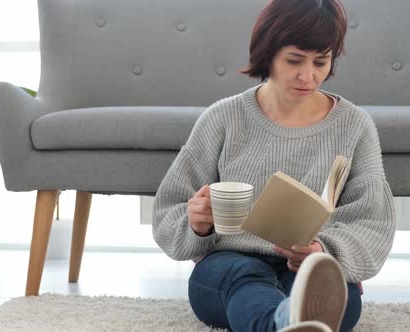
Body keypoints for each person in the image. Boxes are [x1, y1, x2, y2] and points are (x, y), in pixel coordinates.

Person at [152, 0, 396, 331]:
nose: (308, 76)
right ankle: (282, 322)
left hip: (308, 268)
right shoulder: (223, 118)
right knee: (240, 278)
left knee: (343, 301)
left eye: (321, 62)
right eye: (294, 60)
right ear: (268, 52)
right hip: (230, 264)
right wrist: (197, 224)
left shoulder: (354, 126)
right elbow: (170, 210)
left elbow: (372, 222)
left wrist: (323, 250)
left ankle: (282, 321)